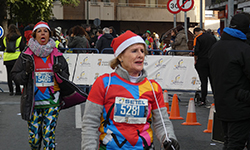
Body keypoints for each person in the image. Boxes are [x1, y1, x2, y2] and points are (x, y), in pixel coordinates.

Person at [81, 30, 179, 150]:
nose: (140, 55)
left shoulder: (153, 87)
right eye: (134, 51)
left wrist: (168, 139)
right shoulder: (104, 83)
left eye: (142, 51)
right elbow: (90, 123)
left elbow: (161, 122)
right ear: (120, 56)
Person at [11, 21, 70, 149]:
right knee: (35, 140)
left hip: (52, 103)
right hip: (33, 103)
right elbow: (15, 76)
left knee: (49, 138)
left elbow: (66, 77)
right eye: (39, 31)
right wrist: (26, 72)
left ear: (49, 34)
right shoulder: (26, 55)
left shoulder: (57, 55)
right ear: (34, 35)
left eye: (45, 31)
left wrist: (59, 73)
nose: (42, 33)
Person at [209, 13, 250, 149]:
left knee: (229, 141)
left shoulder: (216, 47)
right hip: (241, 105)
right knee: (235, 143)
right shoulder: (243, 49)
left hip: (222, 102)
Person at [193, 27, 216, 106]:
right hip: (212, 61)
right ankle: (216, 98)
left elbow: (196, 51)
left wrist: (195, 60)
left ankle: (203, 99)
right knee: (213, 80)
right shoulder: (212, 37)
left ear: (196, 32)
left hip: (202, 61)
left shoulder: (198, 38)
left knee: (204, 81)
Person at [1, 24, 26, 95]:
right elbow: (22, 48)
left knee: (9, 75)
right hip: (16, 58)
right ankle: (18, 90)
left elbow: (2, 48)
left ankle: (11, 91)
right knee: (16, 74)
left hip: (7, 59)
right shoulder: (19, 38)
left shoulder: (5, 38)